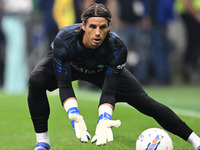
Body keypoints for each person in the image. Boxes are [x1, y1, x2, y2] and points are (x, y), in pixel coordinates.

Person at [28, 3, 200, 150]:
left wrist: (104, 119)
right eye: (93, 27)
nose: (97, 32)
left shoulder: (117, 47)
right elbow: (64, 85)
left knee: (144, 102)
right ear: (83, 26)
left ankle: (196, 140)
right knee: (36, 81)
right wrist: (74, 115)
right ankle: (42, 143)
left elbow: (109, 91)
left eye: (102, 27)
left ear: (109, 28)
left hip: (101, 70)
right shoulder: (64, 40)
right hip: (72, 66)